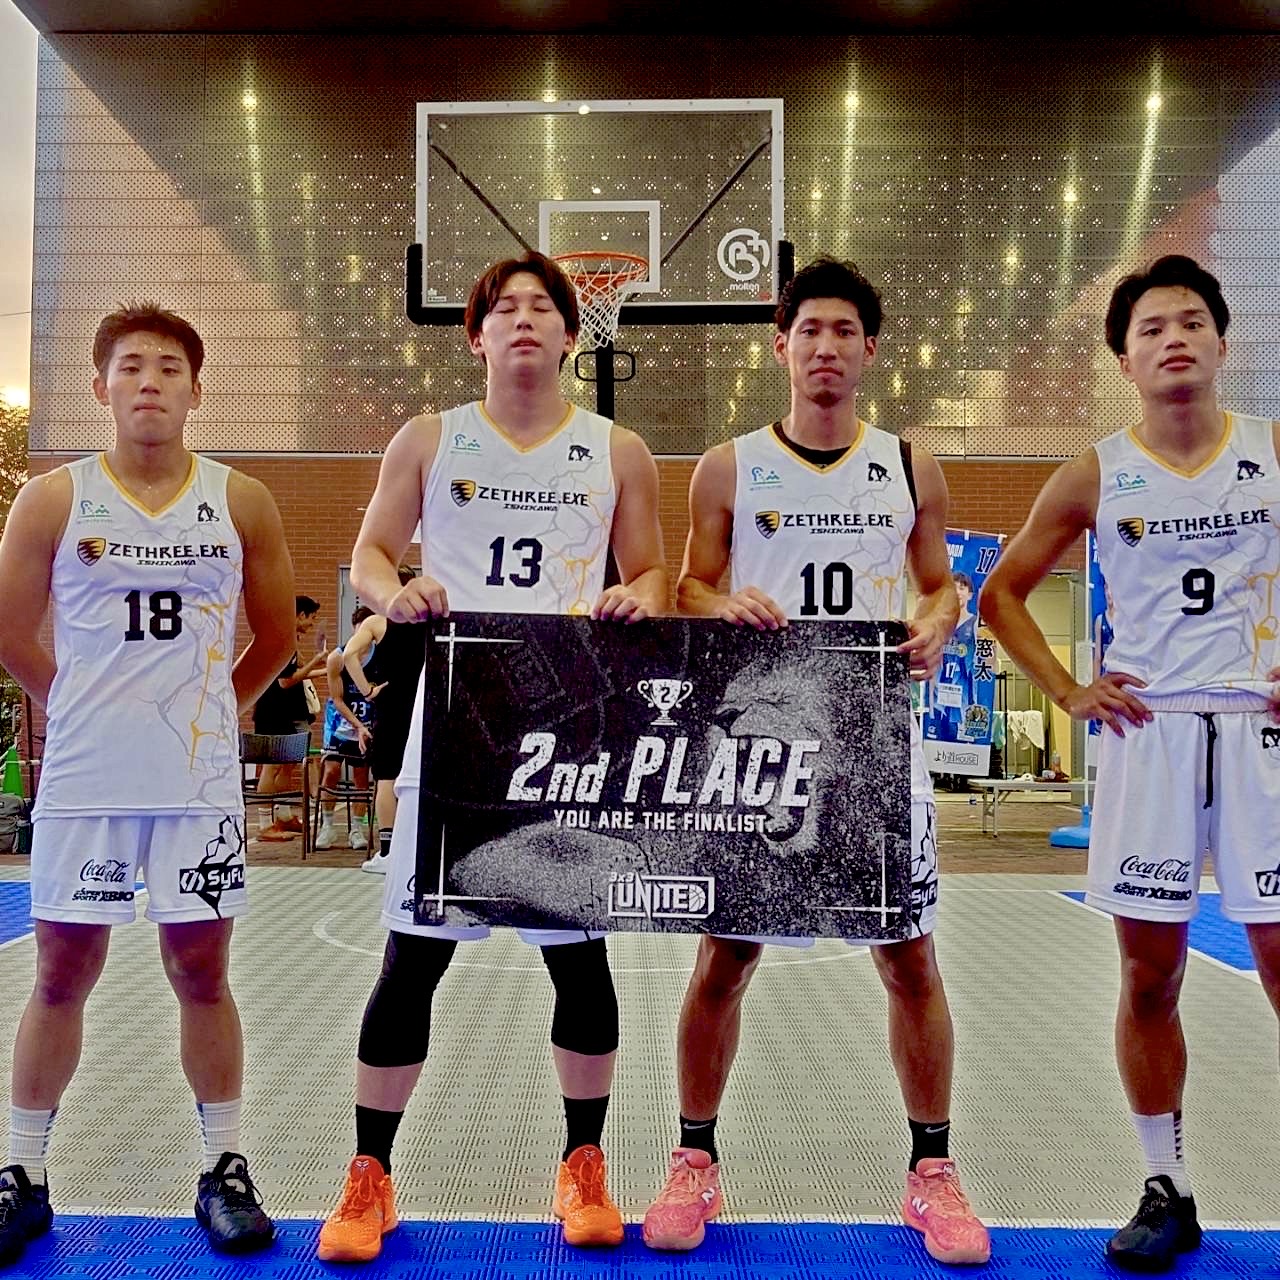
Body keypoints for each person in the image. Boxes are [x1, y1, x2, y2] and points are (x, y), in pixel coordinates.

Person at [316, 251, 667, 1263]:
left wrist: (634, 595)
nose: (522, 320)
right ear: (475, 336)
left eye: (540, 308)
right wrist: (391, 592)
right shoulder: (430, 438)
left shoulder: (617, 449)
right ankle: (370, 1173)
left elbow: (653, 569)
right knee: (412, 957)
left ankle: (583, 1162)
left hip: (566, 735)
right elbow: (371, 553)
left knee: (581, 958)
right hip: (457, 725)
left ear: (570, 332)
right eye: (503, 308)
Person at [644, 257, 990, 1266]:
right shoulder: (729, 466)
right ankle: (692, 1158)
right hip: (762, 744)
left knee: (908, 957)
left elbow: (939, 584)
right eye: (810, 330)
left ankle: (931, 1171)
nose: (826, 347)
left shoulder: (909, 466)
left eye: (844, 331)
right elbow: (687, 585)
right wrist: (723, 602)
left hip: (874, 738)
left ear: (869, 348)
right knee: (725, 956)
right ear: (781, 346)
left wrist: (937, 619)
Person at [980, 254, 1280, 1272]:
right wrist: (1067, 692)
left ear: (1222, 342)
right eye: (1151, 328)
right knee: (1149, 976)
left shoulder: (1271, 449)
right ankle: (1168, 1185)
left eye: (1190, 321)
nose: (1173, 339)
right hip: (1151, 735)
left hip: (1259, 728)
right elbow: (1001, 595)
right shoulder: (1095, 472)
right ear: (1123, 359)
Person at [0, 303, 296, 1265]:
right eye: (131, 366)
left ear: (196, 390)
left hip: (196, 786)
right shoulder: (54, 499)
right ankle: (22, 1172)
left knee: (201, 972)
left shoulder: (241, 500)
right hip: (86, 780)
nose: (150, 382)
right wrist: (82, 705)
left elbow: (277, 636)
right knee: (60, 972)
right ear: (101, 387)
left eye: (170, 367)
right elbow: (8, 632)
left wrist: (211, 713)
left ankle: (224, 1169)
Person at [337, 567, 424, 874]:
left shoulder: (377, 621)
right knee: (419, 776)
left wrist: (367, 690)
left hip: (391, 704)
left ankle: (388, 854)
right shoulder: (428, 621)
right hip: (423, 705)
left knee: (387, 777)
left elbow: (348, 655)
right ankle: (417, 849)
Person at [252, 595, 325, 841]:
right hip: (273, 712)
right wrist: (316, 661)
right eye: (311, 618)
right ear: (300, 615)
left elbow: (299, 672)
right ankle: (264, 824)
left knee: (288, 764)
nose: (312, 624)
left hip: (289, 712)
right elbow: (286, 681)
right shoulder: (281, 640)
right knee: (271, 766)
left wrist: (327, 668)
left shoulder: (291, 641)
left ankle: (283, 815)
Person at [316, 605, 378, 851]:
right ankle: (328, 826)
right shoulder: (337, 657)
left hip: (367, 723)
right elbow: (338, 699)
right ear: (354, 630)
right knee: (331, 771)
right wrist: (357, 725)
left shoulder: (380, 656)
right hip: (339, 722)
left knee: (361, 776)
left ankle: (357, 829)